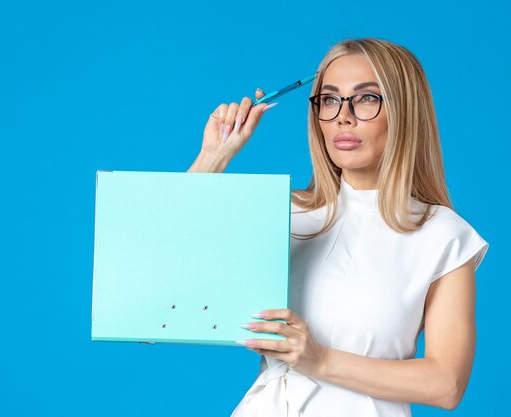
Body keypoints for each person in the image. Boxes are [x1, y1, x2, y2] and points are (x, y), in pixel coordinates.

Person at [187, 38, 489, 417]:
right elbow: (164, 283)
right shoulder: (283, 213)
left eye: (366, 99)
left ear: (405, 112)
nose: (343, 117)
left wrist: (320, 360)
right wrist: (211, 158)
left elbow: (446, 384)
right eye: (329, 100)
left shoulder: (443, 235)